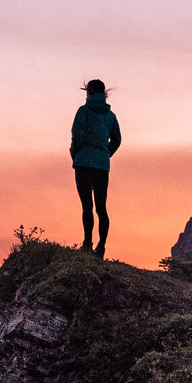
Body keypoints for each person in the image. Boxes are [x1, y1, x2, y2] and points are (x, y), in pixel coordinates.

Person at [69, 79, 122, 257]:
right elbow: (117, 139)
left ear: (89, 93)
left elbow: (77, 134)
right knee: (102, 207)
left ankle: (87, 243)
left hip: (83, 162)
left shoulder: (83, 111)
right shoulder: (110, 116)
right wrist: (106, 154)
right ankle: (101, 247)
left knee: (86, 206)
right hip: (101, 165)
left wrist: (75, 152)